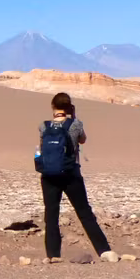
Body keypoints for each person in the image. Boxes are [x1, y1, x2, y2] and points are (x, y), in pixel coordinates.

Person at [37, 92, 117, 262]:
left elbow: (41, 147)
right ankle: (104, 250)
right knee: (84, 212)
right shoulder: (75, 124)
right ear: (69, 107)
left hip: (48, 176)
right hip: (70, 174)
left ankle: (52, 255)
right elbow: (83, 140)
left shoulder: (44, 126)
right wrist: (73, 117)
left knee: (51, 215)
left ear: (53, 107)